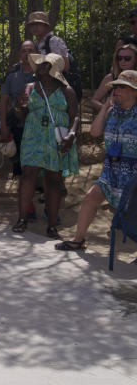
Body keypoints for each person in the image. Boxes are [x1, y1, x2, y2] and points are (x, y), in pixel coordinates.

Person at [56, 70, 137, 252]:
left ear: (134, 92)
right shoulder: (112, 111)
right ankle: (78, 240)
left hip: (134, 172)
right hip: (112, 169)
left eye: (122, 87)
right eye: (115, 86)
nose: (116, 90)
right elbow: (94, 132)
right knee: (92, 197)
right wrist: (106, 105)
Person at [11, 54, 78, 238]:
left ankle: (51, 225)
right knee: (28, 176)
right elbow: (21, 117)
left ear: (55, 67)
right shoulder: (30, 88)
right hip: (34, 136)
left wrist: (72, 135)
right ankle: (22, 219)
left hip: (57, 139)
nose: (40, 66)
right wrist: (19, 107)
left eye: (46, 63)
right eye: (39, 63)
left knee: (53, 180)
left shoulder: (67, 90)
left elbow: (75, 116)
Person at [0, 41, 39, 217]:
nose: (27, 53)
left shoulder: (43, 75)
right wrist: (3, 128)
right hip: (18, 128)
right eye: (24, 50)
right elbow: (3, 103)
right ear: (19, 55)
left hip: (39, 128)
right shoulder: (12, 77)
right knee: (21, 169)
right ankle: (27, 206)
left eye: (31, 50)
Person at [89, 42, 137, 113]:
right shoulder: (111, 78)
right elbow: (94, 100)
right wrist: (108, 110)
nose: (122, 61)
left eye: (127, 58)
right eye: (119, 58)